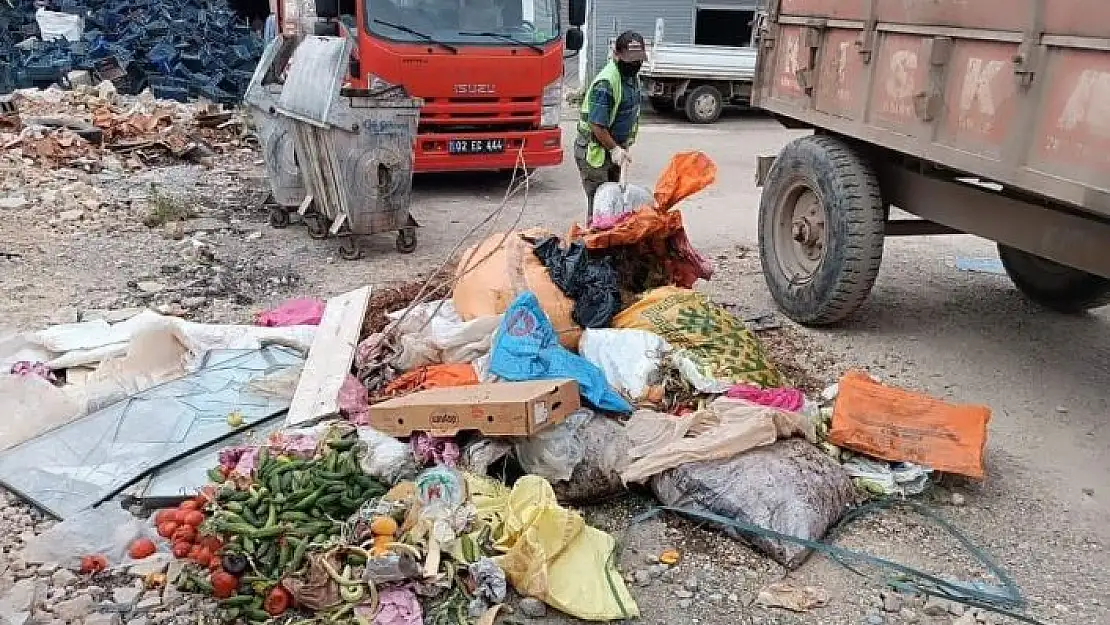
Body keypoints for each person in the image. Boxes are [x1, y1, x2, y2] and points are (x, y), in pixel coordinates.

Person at [575, 30, 646, 219]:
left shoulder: (631, 78)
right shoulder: (606, 83)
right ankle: (593, 245)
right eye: (630, 60)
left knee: (615, 203)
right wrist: (614, 149)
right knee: (601, 204)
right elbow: (597, 125)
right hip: (596, 150)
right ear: (616, 55)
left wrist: (623, 146)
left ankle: (610, 243)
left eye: (638, 60)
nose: (634, 65)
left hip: (615, 148)